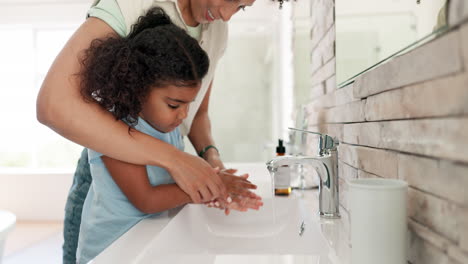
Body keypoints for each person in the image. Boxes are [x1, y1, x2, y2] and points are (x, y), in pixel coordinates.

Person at [35, 0, 256, 263]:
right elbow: (146, 199)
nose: (227, 16)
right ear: (138, 87)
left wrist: (211, 169)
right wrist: (207, 188)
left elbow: (198, 116)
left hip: (141, 244)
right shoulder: (119, 134)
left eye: (242, 6)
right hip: (110, 251)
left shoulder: (169, 125)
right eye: (175, 105)